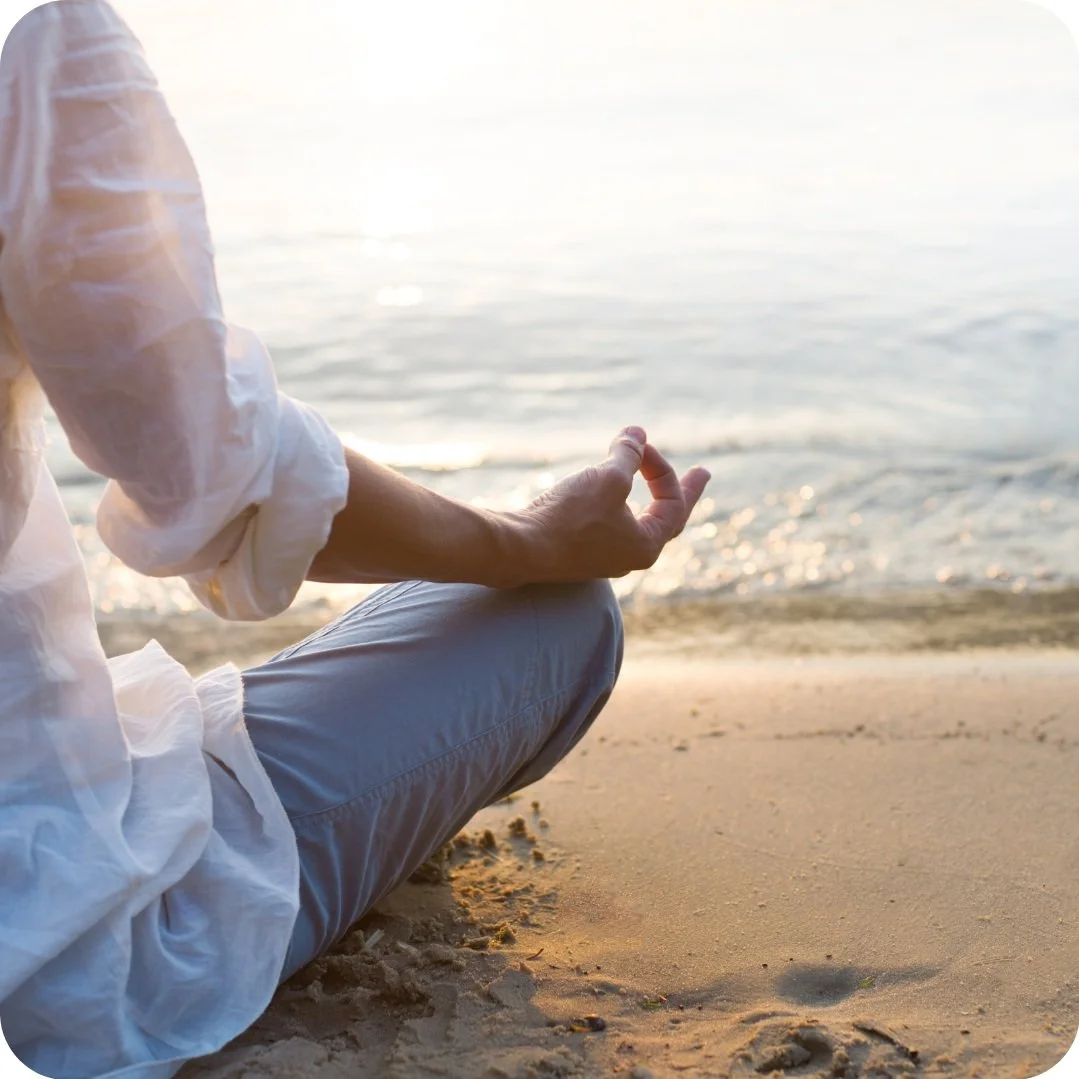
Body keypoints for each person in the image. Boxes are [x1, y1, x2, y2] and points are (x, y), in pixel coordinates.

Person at [0, 3, 711, 1077]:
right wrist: (528, 541)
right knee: (559, 618)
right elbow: (214, 481)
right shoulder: (43, 50)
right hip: (59, 936)